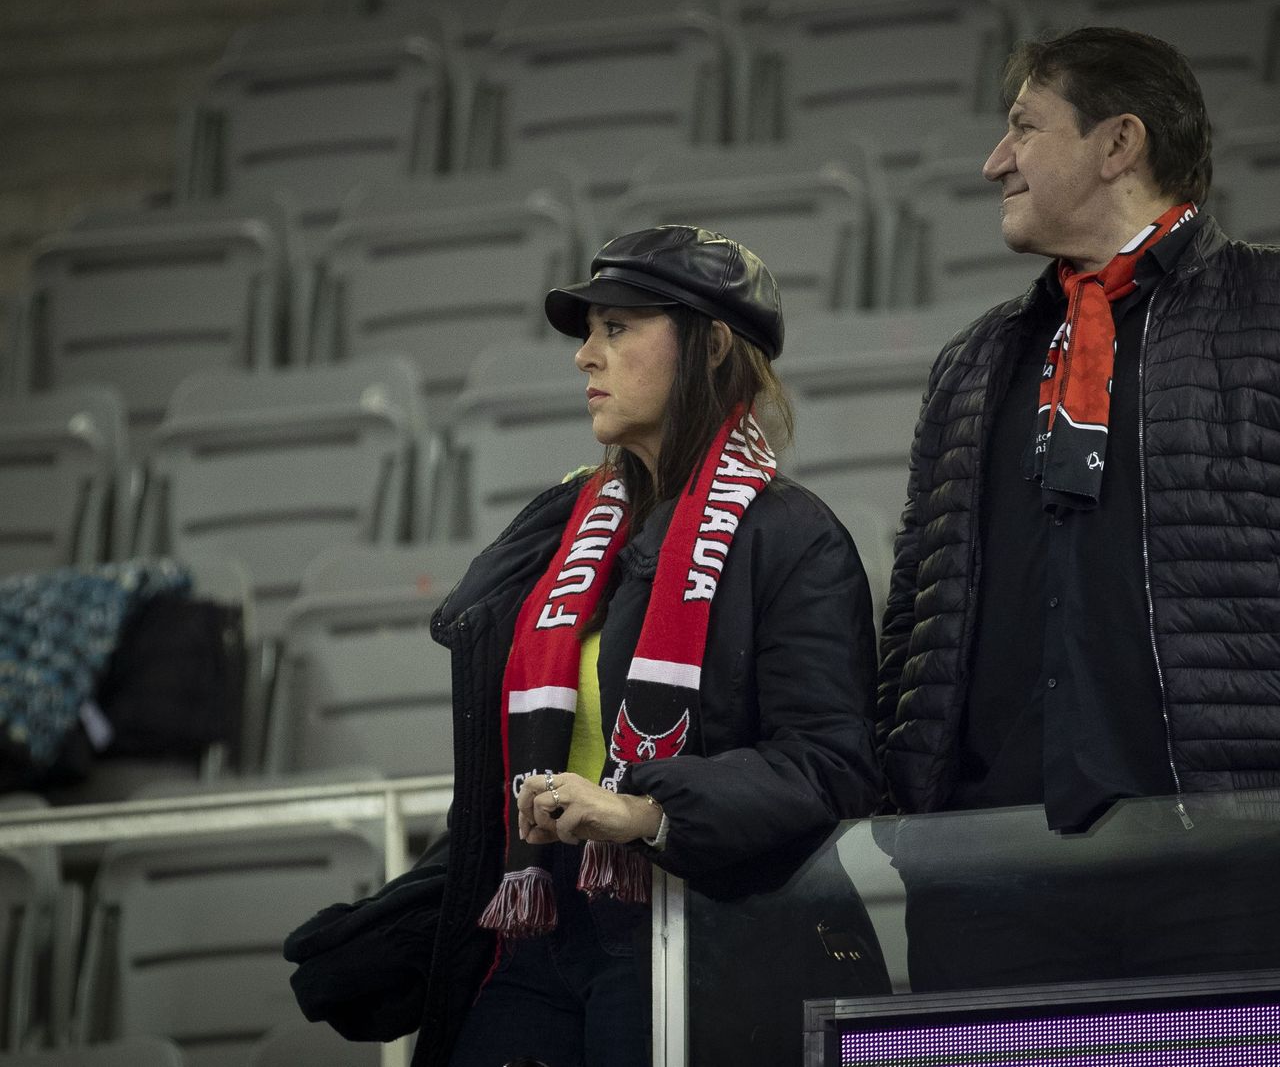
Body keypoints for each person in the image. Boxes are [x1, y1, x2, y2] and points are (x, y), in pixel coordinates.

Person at [876, 27, 1280, 989]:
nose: (995, 162)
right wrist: (913, 818)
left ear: (1119, 144)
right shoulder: (974, 360)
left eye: (1023, 127)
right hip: (993, 879)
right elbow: (917, 608)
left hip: (1238, 867)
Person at [286, 225, 883, 1066]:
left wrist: (649, 811)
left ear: (711, 346)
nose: (585, 358)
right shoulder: (564, 530)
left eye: (618, 328)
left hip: (703, 929)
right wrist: (433, 902)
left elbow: (832, 764)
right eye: (589, 332)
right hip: (542, 924)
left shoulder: (794, 536)